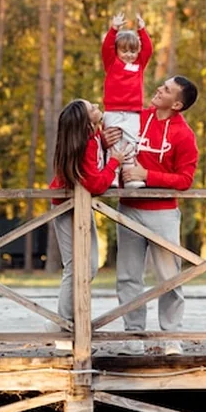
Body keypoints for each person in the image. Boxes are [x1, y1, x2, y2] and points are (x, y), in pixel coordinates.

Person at [104, 76, 199, 356]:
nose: (159, 89)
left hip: (163, 214)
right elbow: (109, 142)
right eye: (162, 85)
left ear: (178, 104)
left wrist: (147, 175)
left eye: (167, 90)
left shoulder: (184, 135)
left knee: (169, 277)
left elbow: (185, 180)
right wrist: (103, 137)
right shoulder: (136, 118)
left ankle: (171, 337)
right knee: (128, 276)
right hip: (129, 210)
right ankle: (133, 335)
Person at [49, 99, 127, 350]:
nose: (96, 105)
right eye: (91, 108)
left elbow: (90, 166)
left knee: (89, 266)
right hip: (67, 208)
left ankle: (68, 324)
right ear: (87, 121)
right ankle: (64, 330)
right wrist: (115, 160)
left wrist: (103, 144)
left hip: (79, 207)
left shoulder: (91, 141)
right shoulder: (86, 144)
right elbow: (95, 184)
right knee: (76, 266)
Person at [101, 11, 153, 188]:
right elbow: (106, 47)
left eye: (133, 51)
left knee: (131, 141)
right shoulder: (112, 64)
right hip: (113, 110)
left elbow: (148, 50)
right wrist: (114, 29)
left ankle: (129, 175)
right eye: (124, 51)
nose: (129, 55)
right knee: (113, 142)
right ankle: (112, 175)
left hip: (132, 111)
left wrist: (142, 30)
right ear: (116, 51)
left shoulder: (139, 65)